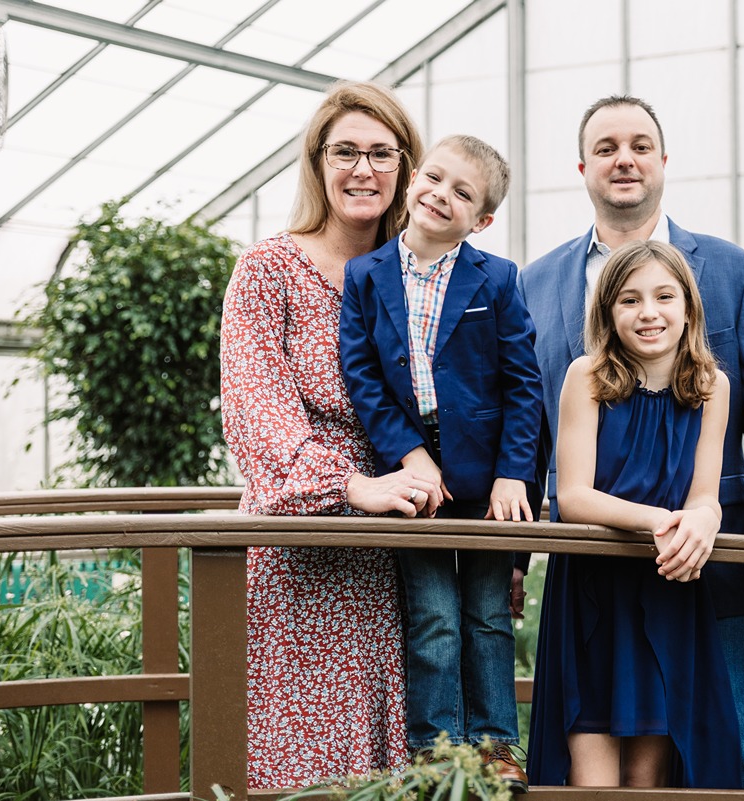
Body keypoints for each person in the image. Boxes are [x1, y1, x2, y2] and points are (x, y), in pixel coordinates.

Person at [516, 95, 744, 788]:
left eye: (641, 144)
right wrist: (512, 554)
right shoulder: (536, 281)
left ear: (664, 160)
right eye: (608, 146)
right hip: (587, 569)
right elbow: (529, 437)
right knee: (584, 755)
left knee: (710, 753)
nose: (625, 158)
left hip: (697, 569)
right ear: (583, 165)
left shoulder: (735, 272)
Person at [220, 80, 432, 786]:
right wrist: (353, 486)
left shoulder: (420, 279)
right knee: (298, 768)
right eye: (345, 151)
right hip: (298, 563)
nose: (363, 169)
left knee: (393, 764)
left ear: (406, 166)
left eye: (381, 153)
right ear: (317, 162)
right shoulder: (268, 271)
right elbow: (259, 420)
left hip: (400, 561)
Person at [339, 134, 542, 793]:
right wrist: (411, 456)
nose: (440, 195)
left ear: (481, 219)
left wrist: (515, 473)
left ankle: (494, 746)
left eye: (462, 193)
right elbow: (363, 375)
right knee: (431, 615)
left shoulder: (498, 278)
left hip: (488, 484)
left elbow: (523, 384)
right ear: (413, 179)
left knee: (486, 614)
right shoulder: (366, 275)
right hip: (413, 476)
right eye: (434, 177)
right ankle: (435, 750)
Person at [528, 239, 738, 787]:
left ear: (688, 306)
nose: (649, 312)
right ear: (608, 312)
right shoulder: (588, 376)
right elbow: (571, 497)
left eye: (664, 296)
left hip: (667, 594)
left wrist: (703, 517)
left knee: (649, 784)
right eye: (629, 300)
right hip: (593, 596)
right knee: (591, 784)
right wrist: (661, 521)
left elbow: (703, 492)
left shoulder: (713, 387)